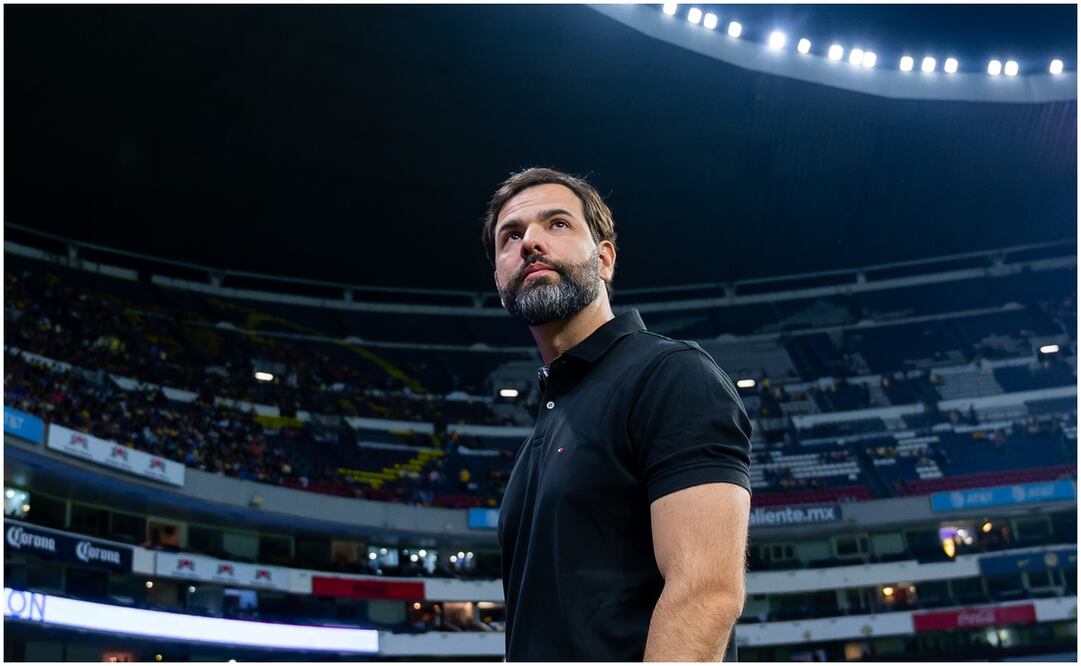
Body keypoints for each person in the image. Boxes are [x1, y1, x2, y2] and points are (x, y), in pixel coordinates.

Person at [482, 167, 752, 661]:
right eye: (511, 235)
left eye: (557, 224)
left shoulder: (670, 375)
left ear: (603, 259)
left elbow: (706, 595)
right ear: (499, 277)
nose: (530, 243)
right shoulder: (548, 418)